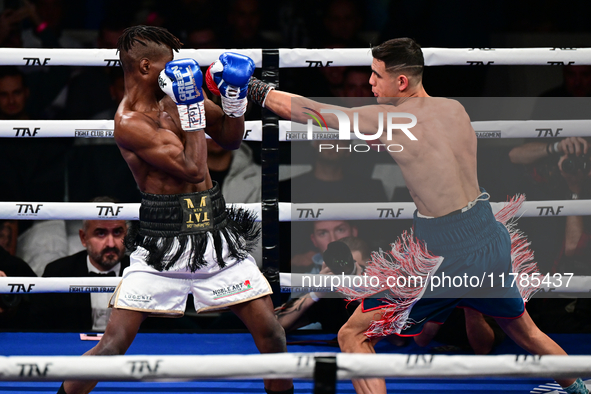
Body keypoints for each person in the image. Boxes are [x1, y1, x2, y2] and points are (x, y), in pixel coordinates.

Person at [246, 37, 588, 394]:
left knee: (353, 334)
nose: (370, 83)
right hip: (489, 234)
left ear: (402, 82)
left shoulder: (391, 120)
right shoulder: (455, 108)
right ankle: (581, 388)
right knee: (526, 332)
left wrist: (256, 88)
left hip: (449, 251)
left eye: (377, 75)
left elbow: (310, 113)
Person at [56, 25, 292, 394]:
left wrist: (233, 100)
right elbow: (194, 168)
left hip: (215, 234)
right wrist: (193, 107)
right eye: (168, 65)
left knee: (272, 335)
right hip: (161, 244)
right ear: (146, 67)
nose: (175, 72)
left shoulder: (176, 97)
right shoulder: (130, 121)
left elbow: (230, 139)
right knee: (112, 345)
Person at [37, 216, 130, 332]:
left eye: (117, 232)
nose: (111, 244)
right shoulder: (58, 273)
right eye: (101, 233)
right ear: (83, 237)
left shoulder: (143, 274)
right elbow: (41, 330)